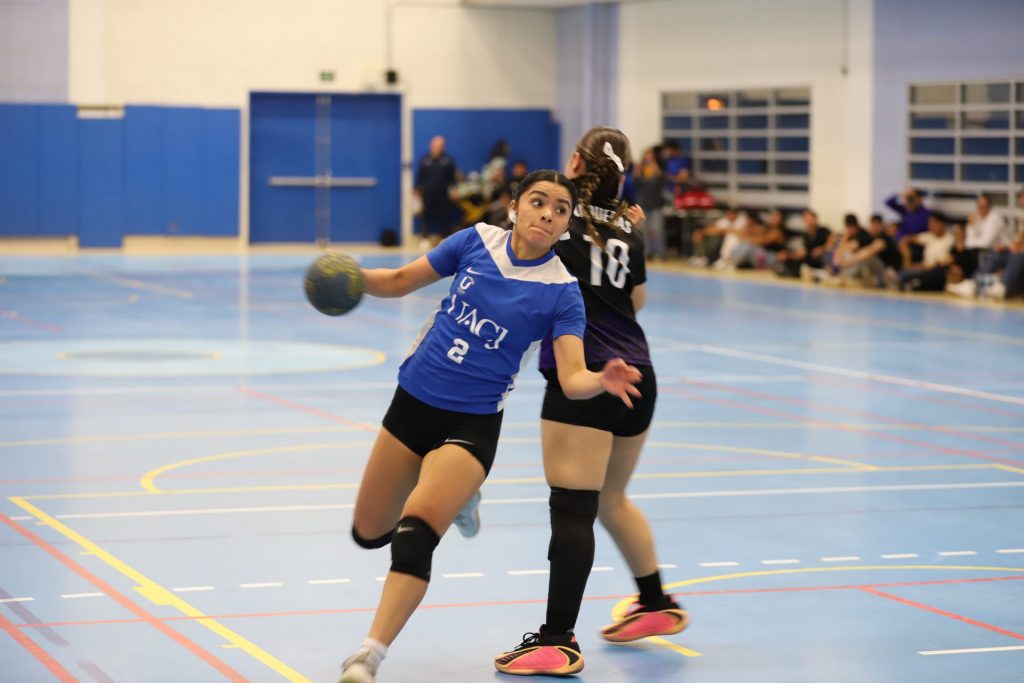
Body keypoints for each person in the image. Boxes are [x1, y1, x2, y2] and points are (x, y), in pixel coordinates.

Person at [338, 170, 643, 683]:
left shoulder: (561, 292)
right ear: (514, 207)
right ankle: (463, 499)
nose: (547, 214)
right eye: (538, 202)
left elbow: (572, 379)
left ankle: (368, 656)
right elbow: (400, 280)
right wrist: (352, 277)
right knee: (369, 532)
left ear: (566, 225)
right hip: (411, 404)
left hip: (471, 423)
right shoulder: (475, 242)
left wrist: (600, 379)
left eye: (561, 209)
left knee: (413, 537)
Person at [492, 127, 686, 678]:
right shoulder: (629, 227)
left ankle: (557, 641)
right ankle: (656, 602)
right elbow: (635, 300)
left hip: (586, 375)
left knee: (572, 507)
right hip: (639, 375)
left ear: (575, 163)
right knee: (612, 498)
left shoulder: (556, 218)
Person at [413, 135, 460, 247]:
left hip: (443, 194)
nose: (438, 147)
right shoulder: (425, 160)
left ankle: (444, 238)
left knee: (445, 216)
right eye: (436, 145)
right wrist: (416, 189)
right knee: (426, 216)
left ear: (443, 146)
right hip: (428, 194)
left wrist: (454, 189)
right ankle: (425, 238)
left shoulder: (448, 160)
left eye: (440, 145)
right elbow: (420, 177)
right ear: (431, 145)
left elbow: (453, 178)